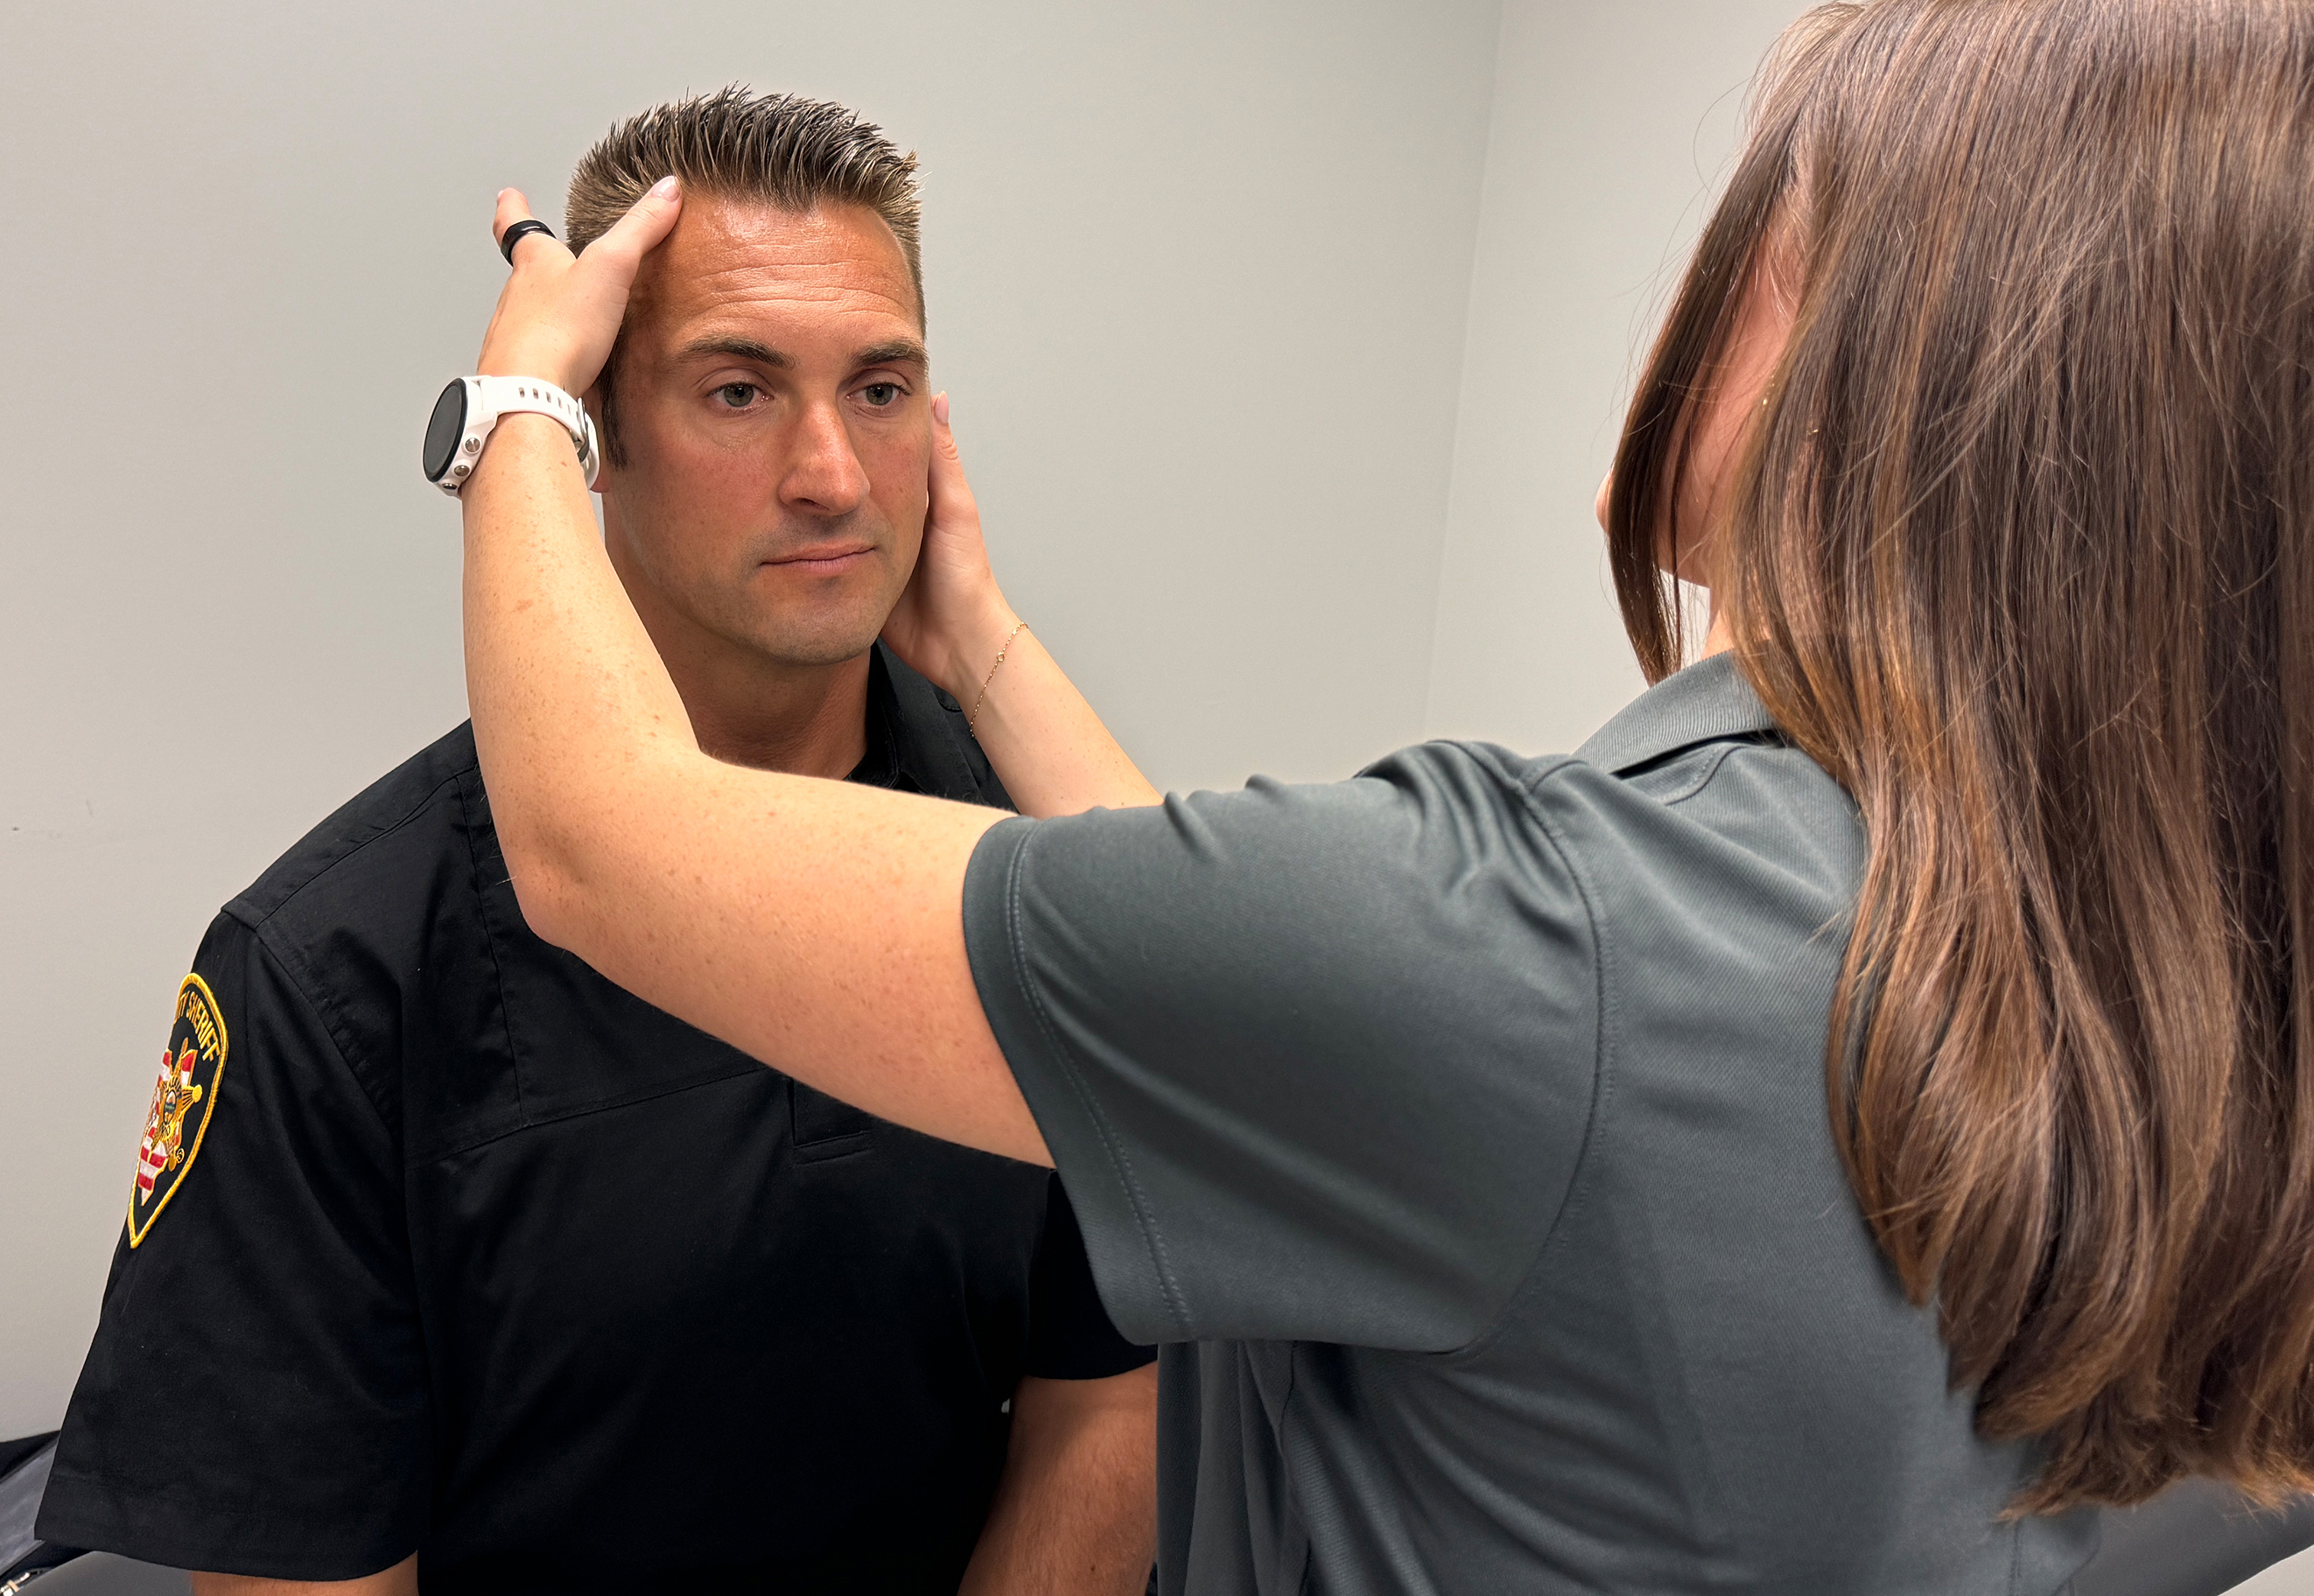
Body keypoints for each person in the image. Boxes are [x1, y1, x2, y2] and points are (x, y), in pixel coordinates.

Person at [447, 0, 2314, 1588]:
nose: (830, 475)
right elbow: (1289, 1032)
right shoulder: (2209, 984)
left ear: (1927, 361)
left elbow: (601, 840)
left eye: (1767, 235)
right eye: (737, 394)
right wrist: (992, 649)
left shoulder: (1545, 952)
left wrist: (521, 401)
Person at [37, 89, 1158, 1596]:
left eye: (880, 388)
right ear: (594, 441)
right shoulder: (330, 975)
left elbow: (1119, 1398)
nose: (832, 473)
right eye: (740, 392)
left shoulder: (1052, 863)